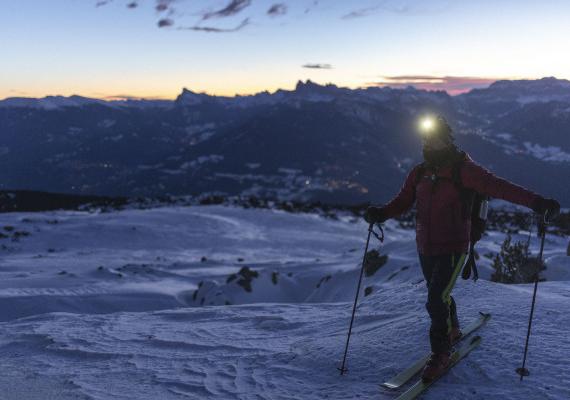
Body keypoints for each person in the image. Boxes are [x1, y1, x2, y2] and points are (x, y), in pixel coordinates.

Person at [364, 115, 560, 382]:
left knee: (435, 299)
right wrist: (381, 213)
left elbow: (500, 187)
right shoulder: (419, 173)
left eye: (435, 137)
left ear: (447, 139)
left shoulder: (464, 170)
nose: (430, 142)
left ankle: (441, 354)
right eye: (426, 138)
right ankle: (452, 329)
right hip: (425, 246)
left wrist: (537, 202)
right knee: (440, 294)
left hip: (454, 247)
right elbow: (402, 201)